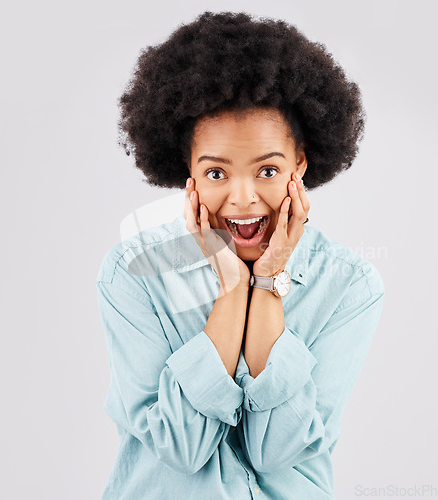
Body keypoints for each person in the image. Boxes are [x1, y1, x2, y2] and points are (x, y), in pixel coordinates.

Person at [96, 11, 385, 500]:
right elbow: (182, 448)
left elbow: (277, 450)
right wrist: (232, 293)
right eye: (216, 173)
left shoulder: (349, 287)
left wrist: (269, 285)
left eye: (268, 171)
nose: (243, 197)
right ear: (185, 169)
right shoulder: (134, 273)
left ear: (301, 163)